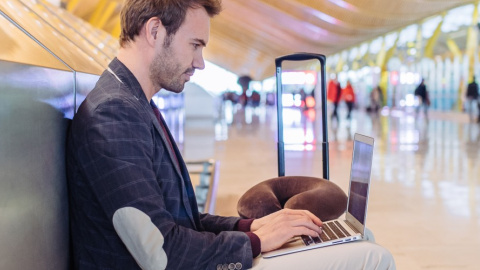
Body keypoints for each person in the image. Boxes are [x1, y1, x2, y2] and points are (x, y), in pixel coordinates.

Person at [66, 0, 396, 269]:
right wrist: (255, 243)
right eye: (195, 45)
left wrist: (250, 227)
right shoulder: (113, 113)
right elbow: (160, 251)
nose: (201, 62)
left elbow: (184, 221)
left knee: (360, 236)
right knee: (373, 257)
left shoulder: (133, 101)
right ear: (154, 30)